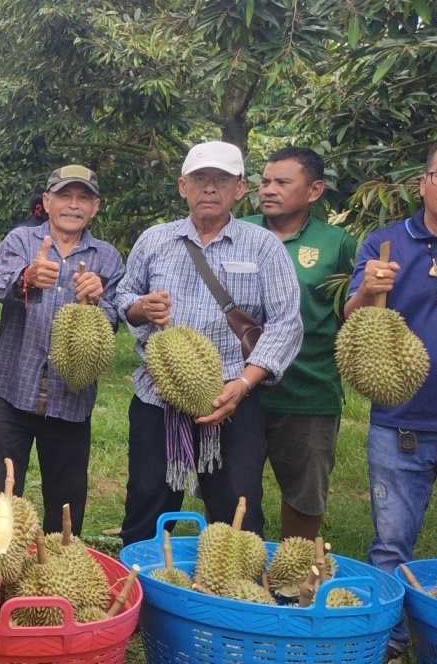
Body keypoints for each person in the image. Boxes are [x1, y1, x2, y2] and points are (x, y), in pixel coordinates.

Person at [116, 141, 302, 545]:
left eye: (222, 179)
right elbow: (124, 297)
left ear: (240, 188)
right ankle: (138, 592)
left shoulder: (263, 246)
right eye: (200, 179)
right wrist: (141, 308)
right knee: (146, 504)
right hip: (157, 399)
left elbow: (286, 324)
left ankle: (235, 594)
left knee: (238, 508)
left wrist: (243, 385)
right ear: (183, 186)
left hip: (233, 398)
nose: (210, 188)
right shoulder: (154, 240)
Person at [345, 134, 437, 663]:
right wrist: (372, 289)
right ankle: (389, 644)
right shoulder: (385, 242)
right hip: (403, 425)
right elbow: (354, 323)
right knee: (392, 545)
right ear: (423, 183)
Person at [0, 165, 122, 535]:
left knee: (66, 504)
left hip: (70, 400)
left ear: (95, 206)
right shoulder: (22, 240)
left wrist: (97, 300)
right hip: (10, 392)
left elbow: (114, 320)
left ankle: (58, 575)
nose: (73, 205)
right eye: (64, 196)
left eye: (83, 197)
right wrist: (28, 278)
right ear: (47, 201)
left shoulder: (107, 258)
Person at [243, 147, 356, 541]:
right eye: (265, 181)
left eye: (282, 182)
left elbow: (349, 317)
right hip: (238, 389)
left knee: (305, 496)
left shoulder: (336, 243)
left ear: (314, 190)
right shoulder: (238, 231)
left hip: (309, 391)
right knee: (232, 491)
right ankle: (235, 575)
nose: (268, 190)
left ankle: (295, 575)